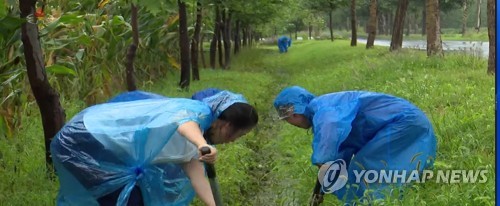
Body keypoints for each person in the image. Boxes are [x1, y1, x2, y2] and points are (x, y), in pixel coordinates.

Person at [51, 89, 258, 206]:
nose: (234, 141)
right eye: (240, 135)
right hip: (84, 139)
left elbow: (198, 179)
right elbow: (186, 124)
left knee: (131, 199)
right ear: (227, 125)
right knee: (127, 201)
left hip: (103, 148)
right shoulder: (197, 112)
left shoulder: (195, 146)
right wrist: (202, 145)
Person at [273, 86, 437, 204]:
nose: (291, 123)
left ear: (293, 113)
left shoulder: (324, 111)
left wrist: (322, 158)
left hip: (403, 121)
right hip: (407, 120)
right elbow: (338, 158)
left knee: (364, 166)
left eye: (287, 119)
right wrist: (319, 192)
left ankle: (375, 201)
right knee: (359, 169)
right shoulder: (320, 111)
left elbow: (330, 131)